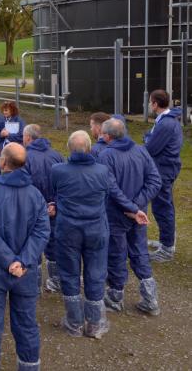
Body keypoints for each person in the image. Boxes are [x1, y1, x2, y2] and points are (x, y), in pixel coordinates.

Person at [51, 131, 146, 339]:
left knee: (69, 273)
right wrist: (133, 209)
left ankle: (74, 322)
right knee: (95, 273)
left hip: (68, 230)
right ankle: (94, 323)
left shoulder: (58, 171)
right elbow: (113, 193)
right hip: (96, 229)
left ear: (69, 148)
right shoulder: (102, 171)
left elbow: (55, 193)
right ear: (89, 148)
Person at [0, 143, 50, 371]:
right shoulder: (36, 195)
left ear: (3, 162)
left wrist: (13, 261)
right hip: (24, 272)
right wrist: (22, 260)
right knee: (26, 324)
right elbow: (42, 232)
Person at [98, 118, 162, 316]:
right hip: (138, 214)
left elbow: (110, 187)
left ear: (107, 136)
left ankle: (116, 297)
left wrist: (131, 207)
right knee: (139, 250)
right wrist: (137, 207)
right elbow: (155, 180)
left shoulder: (106, 155)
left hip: (117, 214)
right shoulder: (141, 150)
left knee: (116, 254)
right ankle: (150, 298)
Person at [23, 124, 64, 293]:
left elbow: (24, 186)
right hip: (53, 208)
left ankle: (35, 283)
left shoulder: (24, 157)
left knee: (33, 243)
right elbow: (64, 183)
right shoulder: (57, 155)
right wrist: (54, 203)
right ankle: (56, 279)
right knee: (53, 242)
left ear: (27, 138)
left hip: (32, 209)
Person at [144, 89, 184, 262]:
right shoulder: (166, 120)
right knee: (164, 206)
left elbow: (151, 147)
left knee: (162, 207)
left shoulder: (166, 124)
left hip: (163, 169)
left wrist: (147, 138)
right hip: (165, 167)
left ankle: (167, 248)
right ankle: (166, 242)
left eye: (150, 102)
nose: (148, 105)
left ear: (155, 103)